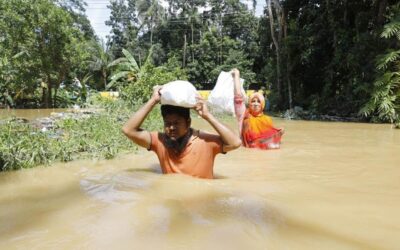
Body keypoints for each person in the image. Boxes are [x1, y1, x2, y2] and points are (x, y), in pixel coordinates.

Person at [122, 86, 242, 179]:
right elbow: (128, 130)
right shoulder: (159, 141)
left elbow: (235, 143)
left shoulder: (204, 142)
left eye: (177, 123)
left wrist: (208, 116)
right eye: (167, 123)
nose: (171, 128)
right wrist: (153, 101)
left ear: (188, 123)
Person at [232, 69, 284, 149]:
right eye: (253, 101)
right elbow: (238, 99)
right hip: (247, 154)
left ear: (262, 105)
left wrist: (279, 133)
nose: (256, 104)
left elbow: (269, 142)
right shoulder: (244, 116)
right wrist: (236, 76)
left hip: (262, 156)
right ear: (249, 104)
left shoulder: (267, 120)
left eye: (258, 101)